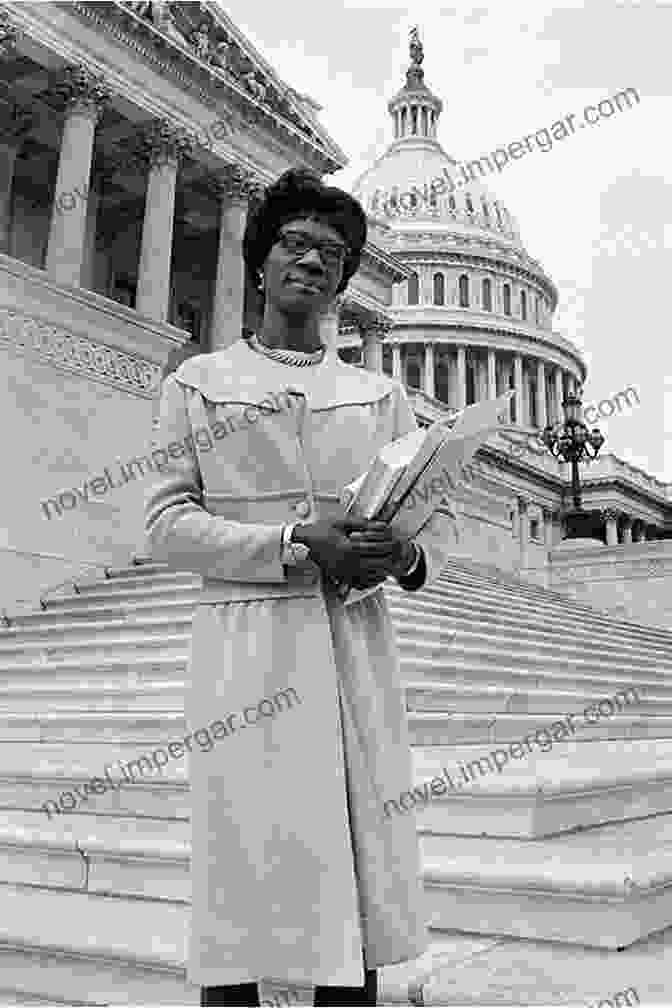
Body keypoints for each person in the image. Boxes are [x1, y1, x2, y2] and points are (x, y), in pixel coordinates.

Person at [144, 167, 459, 1007]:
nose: (313, 263)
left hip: (353, 648)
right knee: (241, 883)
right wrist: (290, 542)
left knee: (355, 880)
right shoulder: (198, 383)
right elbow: (164, 525)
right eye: (295, 244)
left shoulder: (380, 394)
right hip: (246, 650)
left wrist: (400, 555)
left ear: (345, 281)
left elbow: (430, 537)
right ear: (259, 263)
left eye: (332, 255)